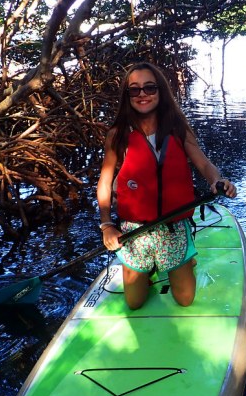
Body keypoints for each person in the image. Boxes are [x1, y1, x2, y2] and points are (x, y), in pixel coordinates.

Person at [97, 62, 236, 310]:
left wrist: (217, 180)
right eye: (135, 90)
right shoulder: (117, 134)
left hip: (173, 227)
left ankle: (185, 259)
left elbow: (204, 164)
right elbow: (105, 182)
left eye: (149, 88)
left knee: (185, 300)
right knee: (134, 303)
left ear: (160, 92)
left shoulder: (177, 128)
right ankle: (148, 268)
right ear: (127, 96)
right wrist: (107, 225)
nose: (142, 95)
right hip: (136, 231)